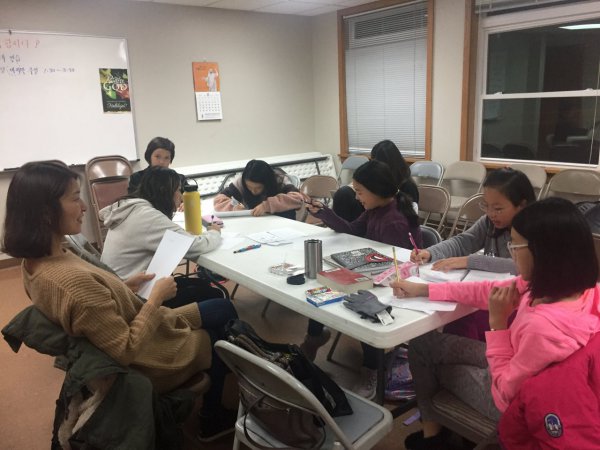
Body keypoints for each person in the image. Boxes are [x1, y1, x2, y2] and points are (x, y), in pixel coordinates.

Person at [2, 161, 238, 441]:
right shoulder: (68, 281)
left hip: (134, 322)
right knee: (220, 337)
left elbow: (91, 305)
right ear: (46, 212)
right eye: (75, 198)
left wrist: (124, 287)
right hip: (147, 356)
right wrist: (156, 298)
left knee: (221, 307)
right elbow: (125, 349)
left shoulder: (39, 261)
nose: (84, 207)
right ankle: (212, 417)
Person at [390, 197, 600, 449]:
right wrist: (424, 289)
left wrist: (498, 324)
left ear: (541, 253)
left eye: (515, 246)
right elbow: (489, 290)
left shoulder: (543, 328)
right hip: (519, 365)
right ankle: (436, 432)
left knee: (427, 358)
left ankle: (434, 437)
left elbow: (504, 395)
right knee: (425, 343)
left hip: (510, 401)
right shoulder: (578, 289)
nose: (511, 253)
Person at [303, 159, 423, 399]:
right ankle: (315, 336)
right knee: (323, 285)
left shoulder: (393, 220)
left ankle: (371, 369)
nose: (356, 197)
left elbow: (393, 268)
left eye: (359, 192)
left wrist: (356, 275)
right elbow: (353, 230)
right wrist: (324, 213)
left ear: (377, 190)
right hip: (374, 273)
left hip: (393, 284)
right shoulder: (376, 209)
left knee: (363, 304)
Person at [411, 168, 536, 341]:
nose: (490, 213)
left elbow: (518, 267)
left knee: (451, 330)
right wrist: (431, 252)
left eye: (498, 208)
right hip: (490, 295)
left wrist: (469, 261)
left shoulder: (534, 230)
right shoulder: (489, 222)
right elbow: (464, 241)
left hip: (515, 306)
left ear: (521, 205)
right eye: (486, 206)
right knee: (456, 322)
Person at [100, 166, 223, 308]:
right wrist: (214, 232)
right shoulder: (147, 217)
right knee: (214, 295)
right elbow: (196, 246)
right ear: (165, 192)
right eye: (178, 190)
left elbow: (176, 238)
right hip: (136, 298)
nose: (181, 196)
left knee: (201, 284)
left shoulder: (133, 209)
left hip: (122, 288)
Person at [333, 140, 419, 222]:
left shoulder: (408, 186)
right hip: (371, 214)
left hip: (385, 219)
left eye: (375, 162)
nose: (373, 166)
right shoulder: (377, 177)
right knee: (344, 193)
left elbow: (406, 217)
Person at [213, 159, 305, 220]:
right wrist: (233, 208)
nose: (253, 191)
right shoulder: (241, 182)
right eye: (249, 187)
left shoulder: (280, 180)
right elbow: (219, 200)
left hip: (282, 223)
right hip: (256, 225)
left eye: (258, 188)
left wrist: (267, 205)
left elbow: (298, 198)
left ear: (267, 183)